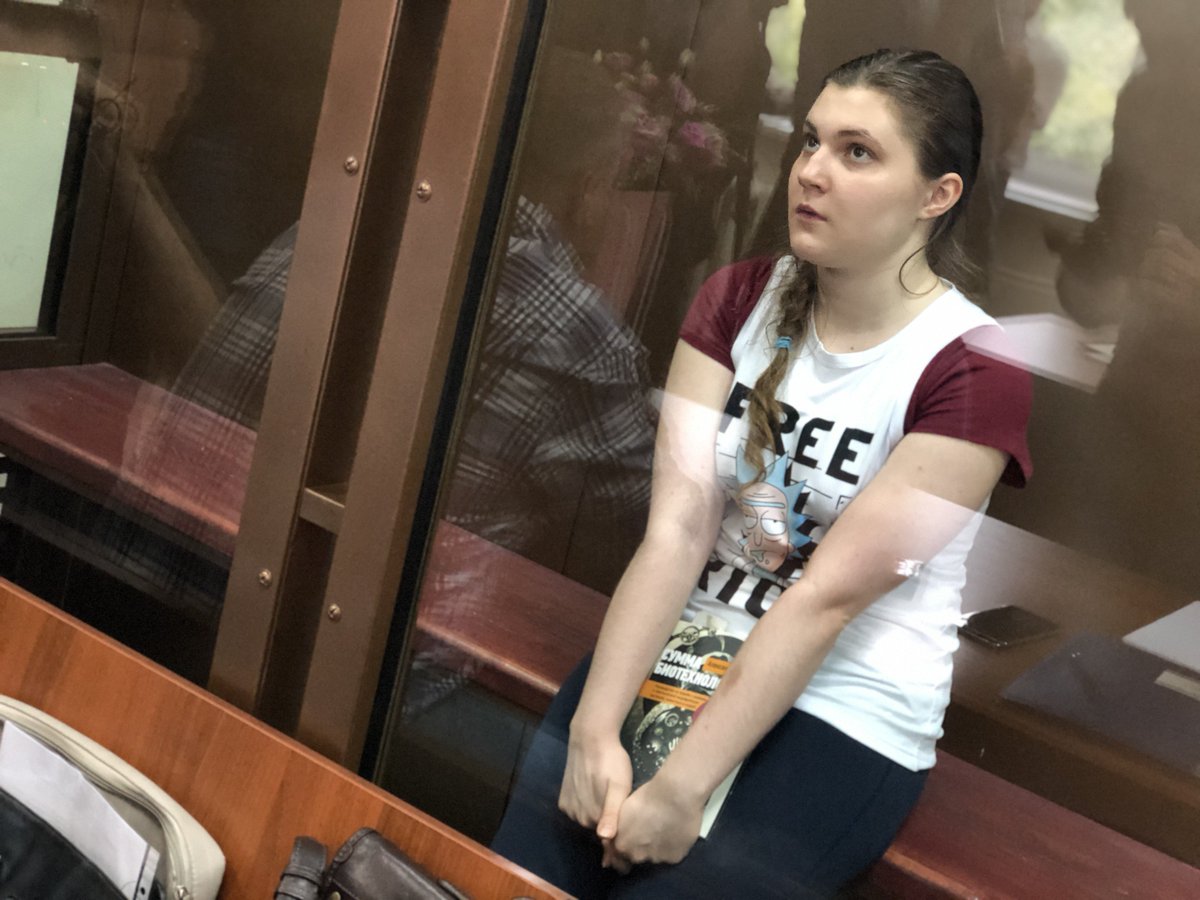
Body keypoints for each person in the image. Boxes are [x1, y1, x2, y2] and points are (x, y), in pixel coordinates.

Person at [492, 49, 1031, 897]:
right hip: (686, 648)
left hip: (843, 704)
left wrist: (681, 788)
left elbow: (824, 602)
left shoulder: (972, 366)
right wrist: (594, 731)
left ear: (938, 195)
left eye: (858, 152)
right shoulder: (738, 299)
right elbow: (676, 532)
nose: (811, 171)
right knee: (516, 878)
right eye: (812, 140)